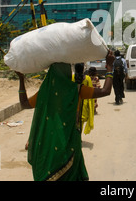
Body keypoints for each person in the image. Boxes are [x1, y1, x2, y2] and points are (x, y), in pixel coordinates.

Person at [16, 50, 115, 181]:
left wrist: (21, 79)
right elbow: (105, 91)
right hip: (70, 146)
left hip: (48, 148)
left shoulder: (44, 94)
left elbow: (24, 104)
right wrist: (109, 68)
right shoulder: (77, 90)